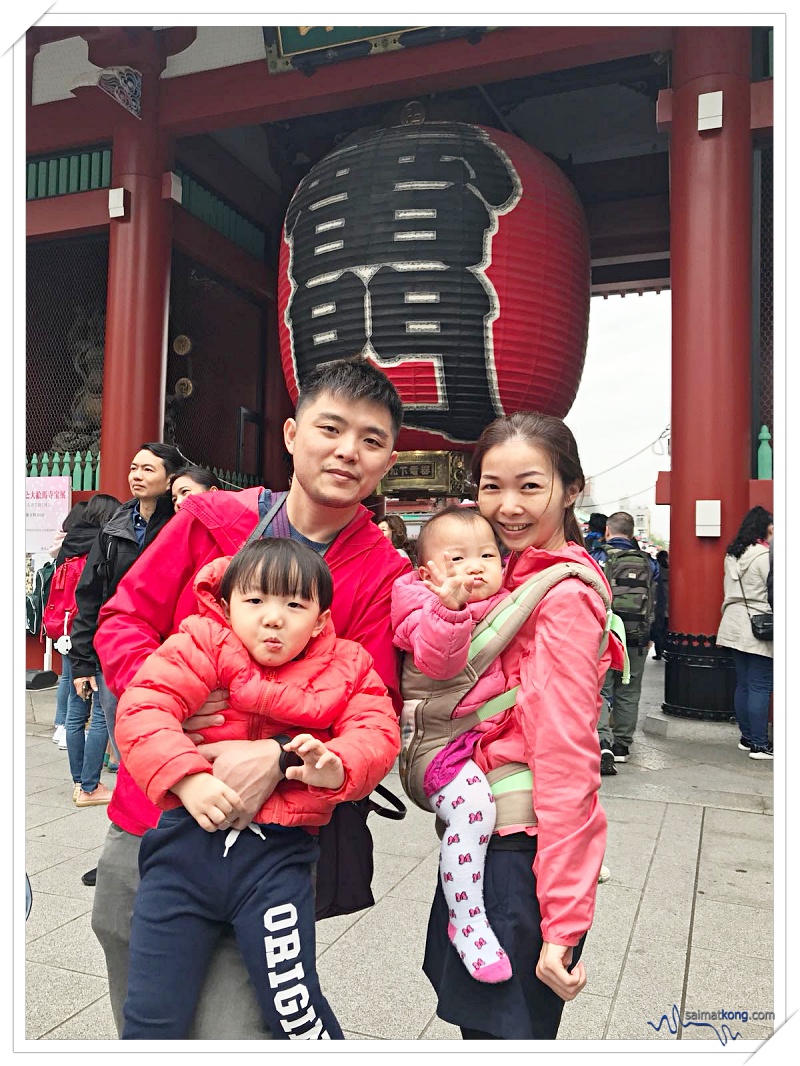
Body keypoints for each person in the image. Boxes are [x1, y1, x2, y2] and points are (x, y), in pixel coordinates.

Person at [90, 357, 411, 1039]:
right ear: (293, 434)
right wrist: (169, 691)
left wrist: (279, 754)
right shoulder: (214, 520)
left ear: (387, 459)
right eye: (332, 428)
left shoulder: (383, 575)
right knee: (144, 1015)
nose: (348, 451)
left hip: (272, 840)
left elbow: (369, 703)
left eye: (372, 440)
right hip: (155, 811)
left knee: (237, 1028)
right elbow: (124, 619)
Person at [116, 538, 399, 1038]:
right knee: (152, 1014)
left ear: (320, 618)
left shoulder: (347, 664)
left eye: (295, 604)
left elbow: (376, 731)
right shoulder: (201, 641)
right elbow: (145, 706)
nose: (274, 618)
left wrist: (337, 768)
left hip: (277, 863)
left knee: (293, 1009)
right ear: (226, 606)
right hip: (182, 854)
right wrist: (188, 778)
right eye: (255, 601)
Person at [423, 411, 625, 1040]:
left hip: (520, 859)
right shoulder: (507, 574)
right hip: (488, 846)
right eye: (491, 486)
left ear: (572, 489)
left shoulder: (562, 598)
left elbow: (567, 760)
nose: (508, 506)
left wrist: (564, 922)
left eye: (530, 486)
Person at [392, 505, 512, 984]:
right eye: (458, 559)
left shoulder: (506, 601)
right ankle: (467, 923)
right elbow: (439, 665)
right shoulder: (421, 604)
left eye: (486, 554)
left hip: (482, 737)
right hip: (436, 747)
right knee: (476, 810)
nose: (476, 567)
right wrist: (449, 608)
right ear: (427, 572)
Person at [69, 442, 183, 881]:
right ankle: (122, 850)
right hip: (117, 657)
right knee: (128, 751)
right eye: (133, 467)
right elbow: (90, 597)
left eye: (147, 468)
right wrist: (82, 662)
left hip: (172, 656)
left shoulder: (181, 525)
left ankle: (163, 847)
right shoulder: (115, 526)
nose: (136, 475)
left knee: (168, 749)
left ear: (170, 477)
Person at [56, 494, 123, 806]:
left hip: (68, 633)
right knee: (99, 711)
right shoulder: (104, 543)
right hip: (95, 634)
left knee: (74, 707)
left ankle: (77, 782)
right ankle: (90, 786)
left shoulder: (67, 544)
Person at [589, 512, 658, 764]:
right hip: (638, 636)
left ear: (608, 530)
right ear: (631, 533)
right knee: (629, 690)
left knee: (601, 689)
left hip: (605, 634)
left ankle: (603, 740)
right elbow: (656, 601)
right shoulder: (649, 563)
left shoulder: (597, 557)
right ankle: (622, 745)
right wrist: (653, 635)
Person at [716, 506, 774, 760]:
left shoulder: (732, 555)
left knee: (744, 684)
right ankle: (760, 745)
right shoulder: (764, 555)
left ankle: (747, 737)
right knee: (760, 684)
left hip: (732, 620)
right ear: (764, 527)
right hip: (758, 622)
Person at [47, 501, 88, 749]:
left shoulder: (63, 548)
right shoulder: (82, 552)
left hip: (61, 618)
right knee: (75, 675)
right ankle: (67, 727)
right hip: (75, 618)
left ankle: (60, 723)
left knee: (65, 674)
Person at [651, 549, 670, 659]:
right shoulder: (672, 573)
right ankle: (666, 649)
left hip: (659, 606)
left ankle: (659, 652)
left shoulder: (656, 573)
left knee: (658, 629)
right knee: (667, 630)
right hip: (669, 607)